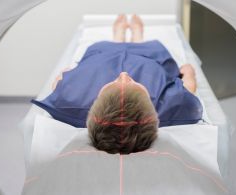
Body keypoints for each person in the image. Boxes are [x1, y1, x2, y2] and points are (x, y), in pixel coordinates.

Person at [31, 14, 203, 154]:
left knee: (101, 51)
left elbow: (58, 82)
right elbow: (189, 87)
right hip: (149, 61)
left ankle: (118, 37)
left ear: (97, 103)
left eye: (113, 84)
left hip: (102, 59)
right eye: (133, 84)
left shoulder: (71, 103)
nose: (123, 74)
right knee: (156, 55)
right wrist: (188, 72)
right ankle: (138, 37)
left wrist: (68, 73)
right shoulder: (172, 106)